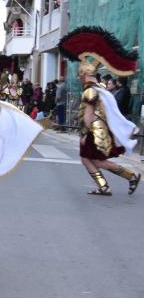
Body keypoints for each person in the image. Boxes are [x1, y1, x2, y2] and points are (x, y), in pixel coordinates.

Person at [58, 26, 141, 195]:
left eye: (80, 74)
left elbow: (88, 115)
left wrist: (83, 134)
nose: (78, 77)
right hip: (99, 131)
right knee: (88, 159)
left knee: (97, 160)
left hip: (94, 132)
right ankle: (105, 185)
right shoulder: (98, 88)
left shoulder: (90, 91)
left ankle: (130, 176)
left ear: (84, 73)